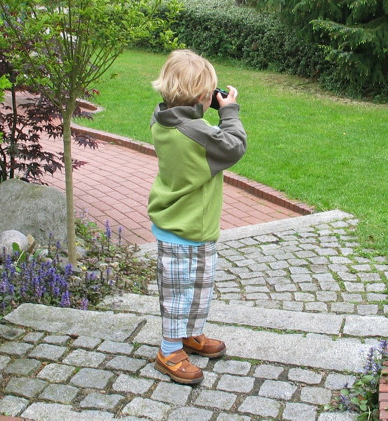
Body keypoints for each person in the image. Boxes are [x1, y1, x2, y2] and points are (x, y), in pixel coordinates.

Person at [147, 49, 247, 385]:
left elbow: (183, 114)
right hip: (182, 229)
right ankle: (169, 350)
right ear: (203, 98)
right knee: (179, 294)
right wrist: (229, 110)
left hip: (194, 227)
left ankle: (190, 334)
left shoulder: (162, 119)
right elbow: (233, 145)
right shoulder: (196, 132)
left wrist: (200, 104)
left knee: (198, 288)